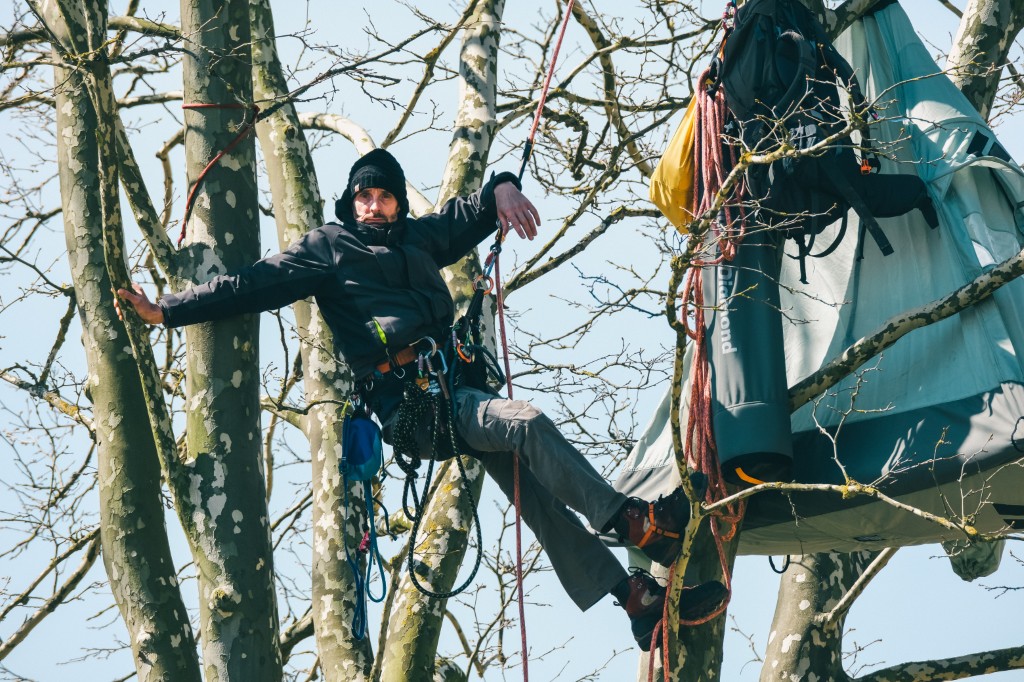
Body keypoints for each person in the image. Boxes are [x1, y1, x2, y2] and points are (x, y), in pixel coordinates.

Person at [116, 148, 728, 648]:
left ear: (398, 202)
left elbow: (472, 210)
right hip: (414, 407)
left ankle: (635, 601)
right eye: (365, 196)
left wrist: (504, 188)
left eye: (383, 195)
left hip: (458, 387)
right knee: (525, 422)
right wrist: (166, 310)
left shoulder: (417, 239)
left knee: (536, 497)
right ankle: (631, 520)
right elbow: (252, 284)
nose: (374, 205)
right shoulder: (328, 250)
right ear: (351, 202)